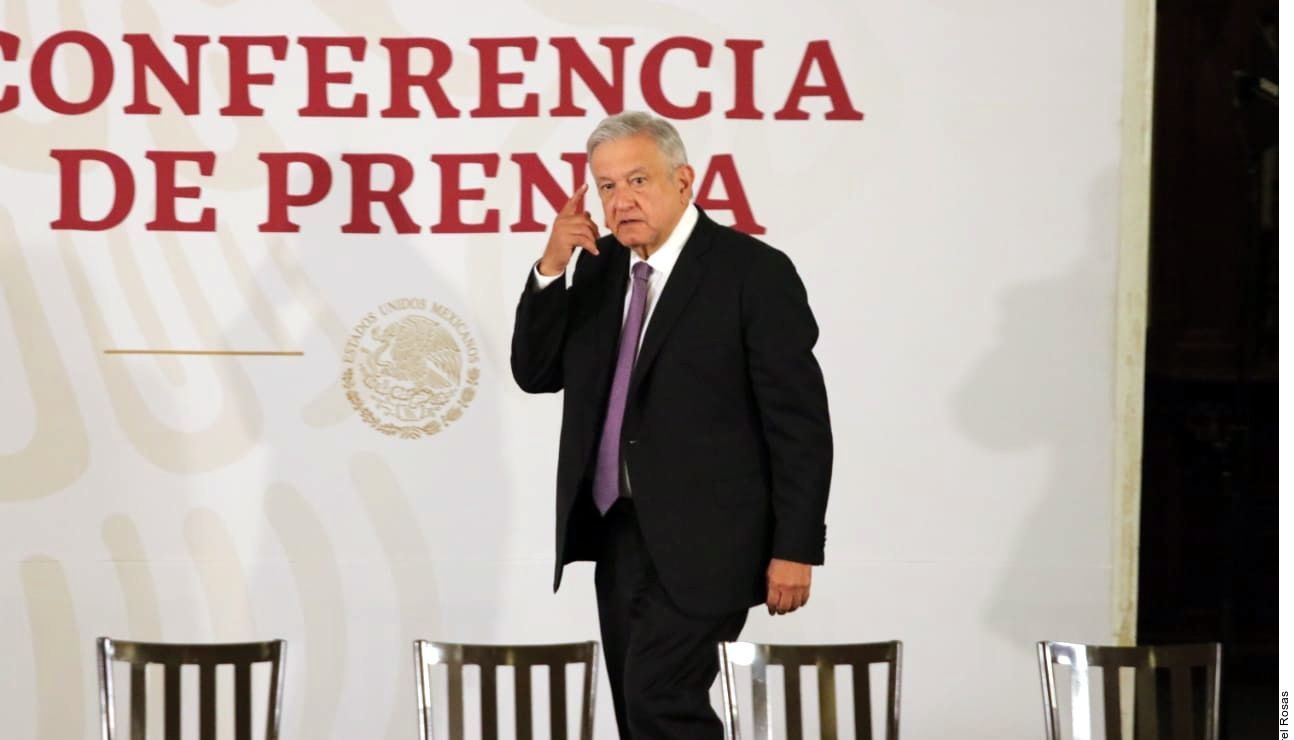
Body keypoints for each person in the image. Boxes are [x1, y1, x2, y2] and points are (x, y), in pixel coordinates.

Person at [511, 111, 833, 739]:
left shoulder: (752, 272)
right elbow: (536, 371)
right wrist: (551, 267)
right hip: (618, 533)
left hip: (711, 541)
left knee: (659, 698)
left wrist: (796, 547)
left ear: (684, 181)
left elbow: (799, 424)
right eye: (606, 186)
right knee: (638, 714)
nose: (621, 200)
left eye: (638, 180)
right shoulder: (599, 267)